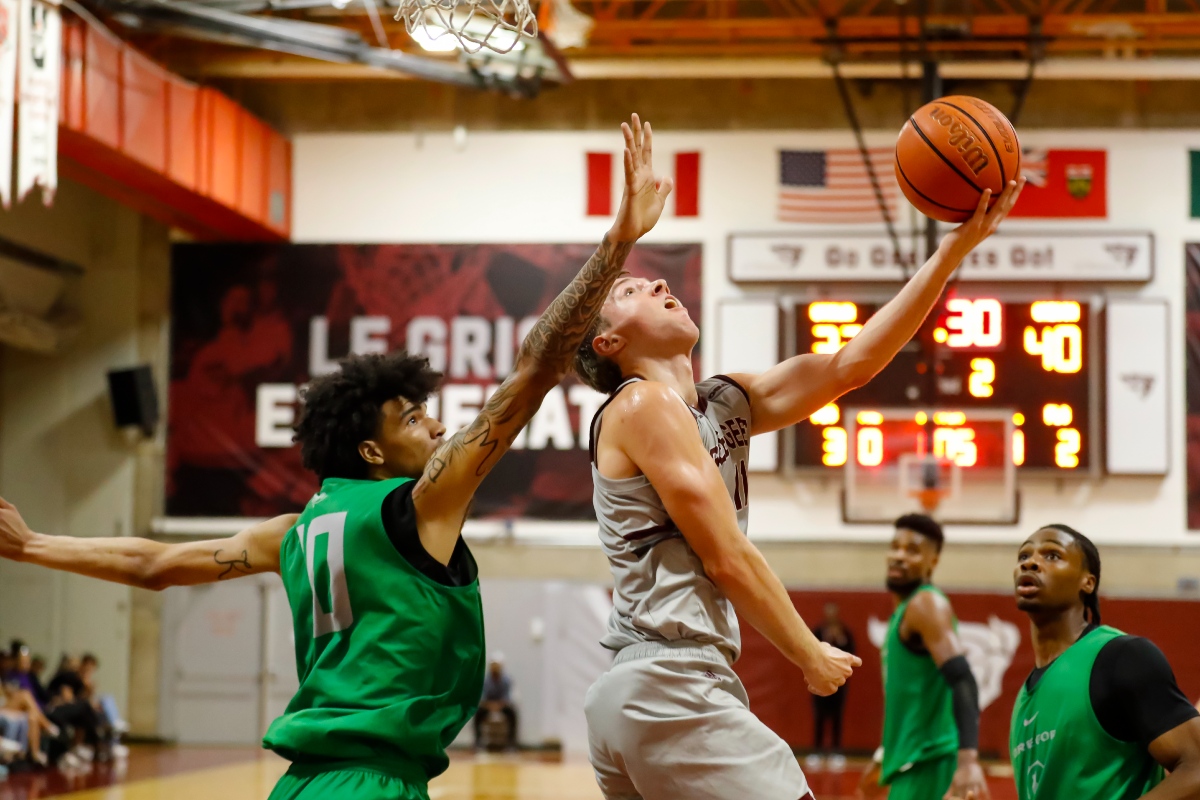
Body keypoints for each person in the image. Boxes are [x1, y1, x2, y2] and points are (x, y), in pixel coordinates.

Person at [0, 112, 672, 800]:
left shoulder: (294, 532)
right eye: (414, 417)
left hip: (298, 787)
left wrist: (32, 548)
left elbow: (156, 564)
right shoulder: (420, 505)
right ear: (373, 449)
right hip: (372, 785)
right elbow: (534, 370)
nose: (437, 426)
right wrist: (617, 242)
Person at [576, 167, 1024, 798]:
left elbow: (853, 363)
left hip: (657, 690)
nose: (657, 280)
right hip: (669, 684)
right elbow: (726, 555)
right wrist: (807, 652)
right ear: (610, 340)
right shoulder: (641, 404)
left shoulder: (722, 403)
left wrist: (950, 252)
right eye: (630, 290)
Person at [968, 524, 1200, 800]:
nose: (1030, 562)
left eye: (1052, 555)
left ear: (1087, 582)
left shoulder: (1122, 657)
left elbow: (1195, 769)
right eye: (1023, 557)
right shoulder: (1024, 698)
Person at [856, 514, 987, 800]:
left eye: (912, 550)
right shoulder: (904, 611)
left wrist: (968, 762)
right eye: (895, 547)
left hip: (930, 764)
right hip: (911, 764)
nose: (899, 556)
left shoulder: (926, 604)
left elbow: (963, 678)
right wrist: (883, 757)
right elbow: (913, 702)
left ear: (934, 561)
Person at [808, 602, 855, 771]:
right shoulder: (818, 632)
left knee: (837, 717)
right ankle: (817, 752)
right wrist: (827, 638)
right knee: (819, 717)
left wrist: (839, 638)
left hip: (839, 683)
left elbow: (850, 652)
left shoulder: (845, 633)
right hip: (819, 681)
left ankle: (836, 751)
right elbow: (811, 652)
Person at [474, 653, 518, 751]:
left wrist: (498, 705)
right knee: (478, 713)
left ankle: (512, 743)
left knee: (512, 712)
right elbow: (482, 698)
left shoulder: (506, 680)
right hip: (488, 706)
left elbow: (507, 698)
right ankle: (478, 742)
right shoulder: (486, 680)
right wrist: (490, 705)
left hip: (501, 706)